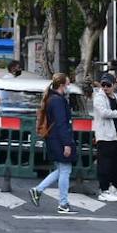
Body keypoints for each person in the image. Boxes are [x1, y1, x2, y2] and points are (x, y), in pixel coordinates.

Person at [29, 73, 77, 214]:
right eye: (67, 84)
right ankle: (63, 203)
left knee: (61, 170)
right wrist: (67, 143)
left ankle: (38, 190)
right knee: (65, 170)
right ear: (61, 85)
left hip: (54, 138)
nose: (69, 86)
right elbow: (62, 123)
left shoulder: (52, 98)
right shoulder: (58, 101)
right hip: (59, 139)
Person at [91, 73, 117, 202]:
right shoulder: (99, 97)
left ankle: (115, 185)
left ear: (114, 85)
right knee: (104, 163)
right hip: (104, 135)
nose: (105, 87)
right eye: (103, 85)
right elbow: (104, 113)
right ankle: (104, 188)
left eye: (108, 85)